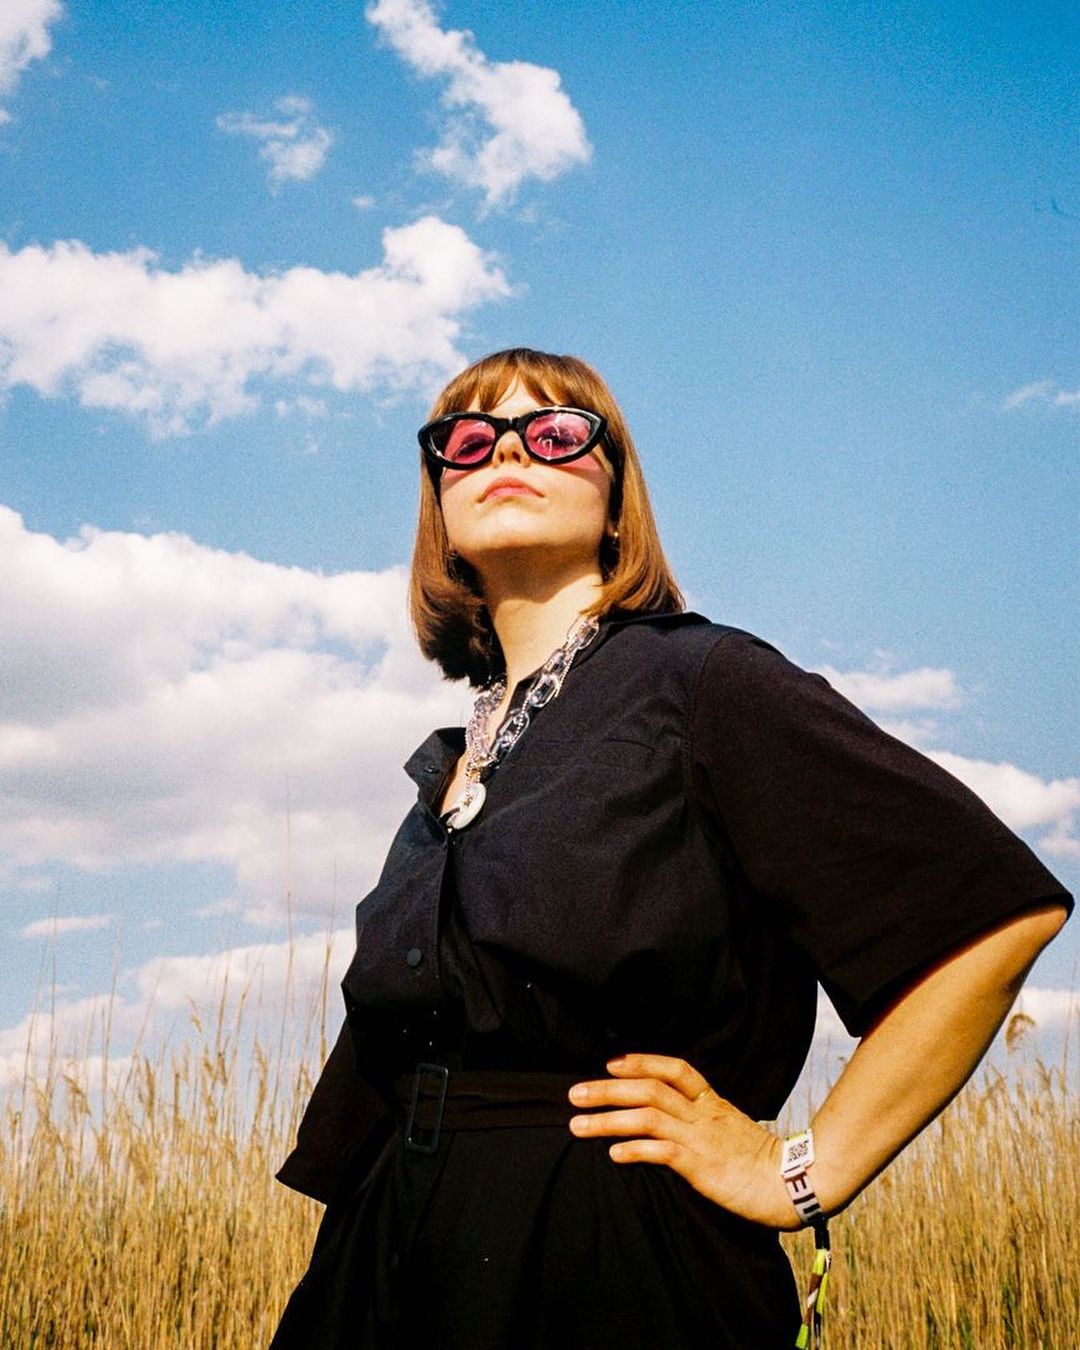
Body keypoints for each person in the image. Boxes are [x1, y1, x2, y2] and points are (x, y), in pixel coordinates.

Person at [270, 348, 1071, 1349]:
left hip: (613, 1264)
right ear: (439, 505)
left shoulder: (703, 684)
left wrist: (801, 1170)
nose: (507, 451)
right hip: (384, 1265)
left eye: (555, 432)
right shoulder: (451, 766)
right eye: (467, 440)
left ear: (617, 504)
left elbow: (990, 914)